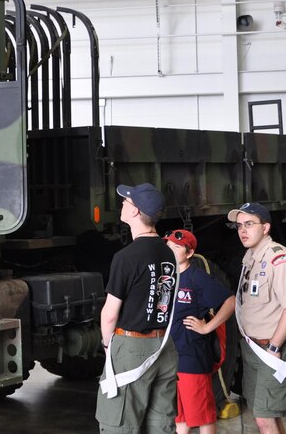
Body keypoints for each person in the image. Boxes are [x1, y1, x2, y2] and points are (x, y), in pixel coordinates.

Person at [97, 183, 178, 434]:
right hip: (164, 347)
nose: (122, 204)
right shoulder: (168, 252)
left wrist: (109, 345)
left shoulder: (126, 257)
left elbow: (110, 313)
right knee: (160, 425)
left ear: (135, 212)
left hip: (132, 348)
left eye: (126, 202)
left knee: (118, 424)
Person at [228, 203, 286, 434]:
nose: (243, 230)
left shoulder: (278, 258)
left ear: (266, 227)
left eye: (249, 224)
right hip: (253, 347)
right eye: (239, 225)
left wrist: (274, 346)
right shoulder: (251, 256)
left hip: (273, 350)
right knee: (264, 414)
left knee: (264, 418)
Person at [164, 229, 236, 434]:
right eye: (168, 247)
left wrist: (206, 327)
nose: (170, 251)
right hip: (171, 358)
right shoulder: (166, 278)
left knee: (202, 416)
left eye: (176, 247)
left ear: (188, 253)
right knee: (180, 417)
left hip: (192, 358)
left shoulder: (196, 277)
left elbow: (230, 302)